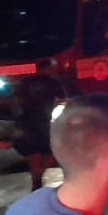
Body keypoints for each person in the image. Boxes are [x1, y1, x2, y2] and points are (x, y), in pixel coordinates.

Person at [14, 58, 67, 191]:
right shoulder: (53, 82)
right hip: (45, 122)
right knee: (51, 151)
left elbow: (17, 100)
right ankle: (40, 172)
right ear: (48, 68)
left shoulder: (26, 82)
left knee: (34, 152)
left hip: (27, 122)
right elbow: (62, 100)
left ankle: (36, 179)